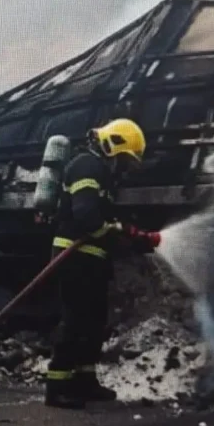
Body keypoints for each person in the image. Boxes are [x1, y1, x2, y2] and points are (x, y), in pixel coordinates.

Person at [45, 118, 162, 409]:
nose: (123, 167)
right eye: (124, 160)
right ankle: (57, 386)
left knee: (93, 321)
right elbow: (87, 218)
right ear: (113, 146)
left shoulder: (103, 175)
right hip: (73, 256)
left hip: (92, 258)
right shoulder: (87, 166)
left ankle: (84, 380)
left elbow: (103, 221)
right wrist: (121, 232)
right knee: (75, 320)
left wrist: (132, 236)